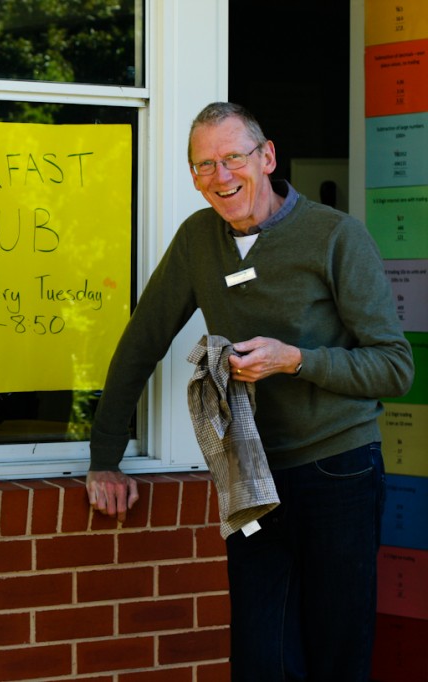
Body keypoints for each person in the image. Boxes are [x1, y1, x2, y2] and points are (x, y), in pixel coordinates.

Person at [85, 102, 414, 681]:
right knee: (260, 656)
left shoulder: (335, 236)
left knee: (335, 649)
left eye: (232, 158)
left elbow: (394, 366)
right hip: (250, 477)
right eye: (203, 165)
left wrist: (296, 360)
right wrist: (105, 458)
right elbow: (142, 342)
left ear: (266, 158)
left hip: (337, 469)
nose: (220, 177)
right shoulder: (198, 239)